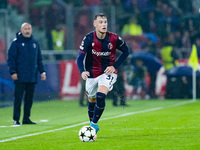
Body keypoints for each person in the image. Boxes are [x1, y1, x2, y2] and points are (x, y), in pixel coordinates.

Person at [76, 13, 129, 133]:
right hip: (92, 74)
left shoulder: (114, 38)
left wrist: (114, 66)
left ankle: (93, 124)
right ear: (95, 24)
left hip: (107, 73)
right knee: (91, 100)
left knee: (101, 95)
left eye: (105, 22)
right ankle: (92, 123)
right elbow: (79, 58)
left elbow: (126, 51)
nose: (103, 24)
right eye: (100, 22)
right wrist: (82, 71)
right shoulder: (89, 38)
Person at [7, 23, 46, 126]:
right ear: (21, 30)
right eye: (25, 29)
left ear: (31, 30)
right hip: (20, 76)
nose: (27, 31)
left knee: (29, 99)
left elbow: (39, 59)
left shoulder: (35, 43)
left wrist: (42, 71)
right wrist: (13, 72)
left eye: (29, 29)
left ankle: (26, 118)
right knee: (18, 99)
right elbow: (11, 59)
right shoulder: (16, 43)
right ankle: (16, 119)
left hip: (31, 76)